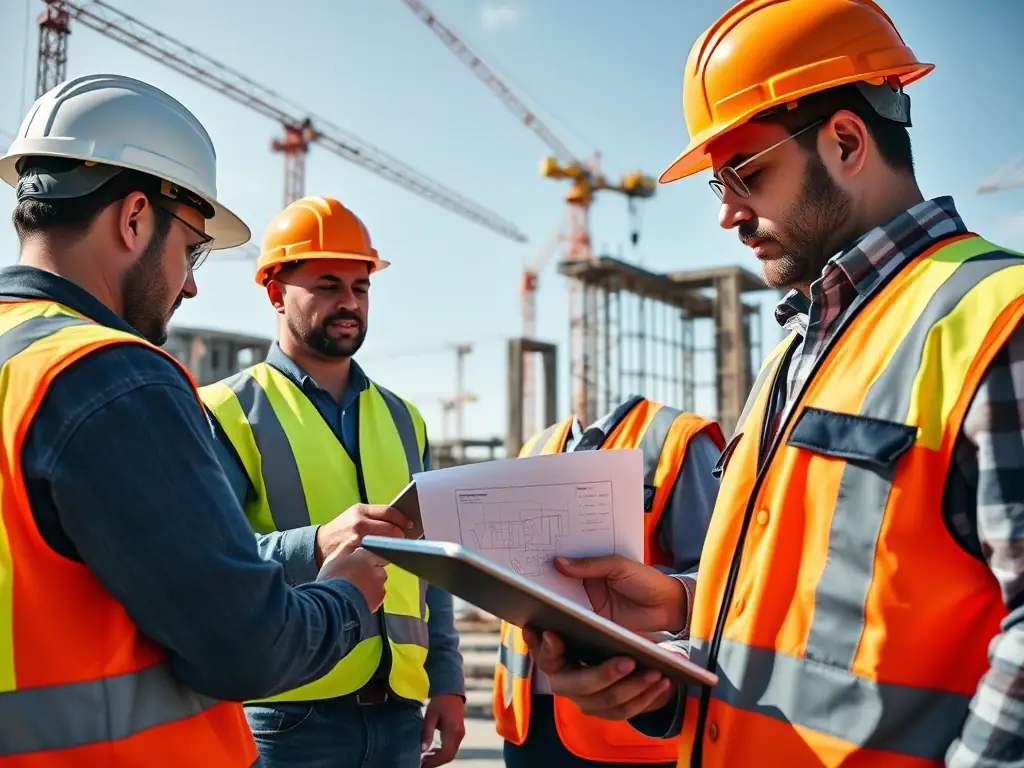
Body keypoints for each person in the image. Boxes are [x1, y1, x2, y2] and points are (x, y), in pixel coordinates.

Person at [522, 1, 1024, 766]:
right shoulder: (797, 351)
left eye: (747, 172)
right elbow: (830, 616)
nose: (727, 211)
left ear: (848, 140)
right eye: (716, 183)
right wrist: (682, 621)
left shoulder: (998, 318)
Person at [0, 74, 391, 766]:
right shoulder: (108, 376)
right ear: (133, 219)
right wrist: (347, 598)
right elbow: (247, 646)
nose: (189, 283)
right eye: (192, 249)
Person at [200, 195, 467, 768]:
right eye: (327, 285)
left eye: (360, 287)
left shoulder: (404, 419)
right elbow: (202, 562)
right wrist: (316, 543)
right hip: (285, 713)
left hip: (398, 709)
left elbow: (432, 563)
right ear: (275, 291)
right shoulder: (223, 411)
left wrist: (446, 678)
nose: (349, 303)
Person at [495, 396, 724, 768]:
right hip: (527, 723)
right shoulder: (536, 447)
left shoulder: (679, 439)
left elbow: (725, 577)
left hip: (630, 729)